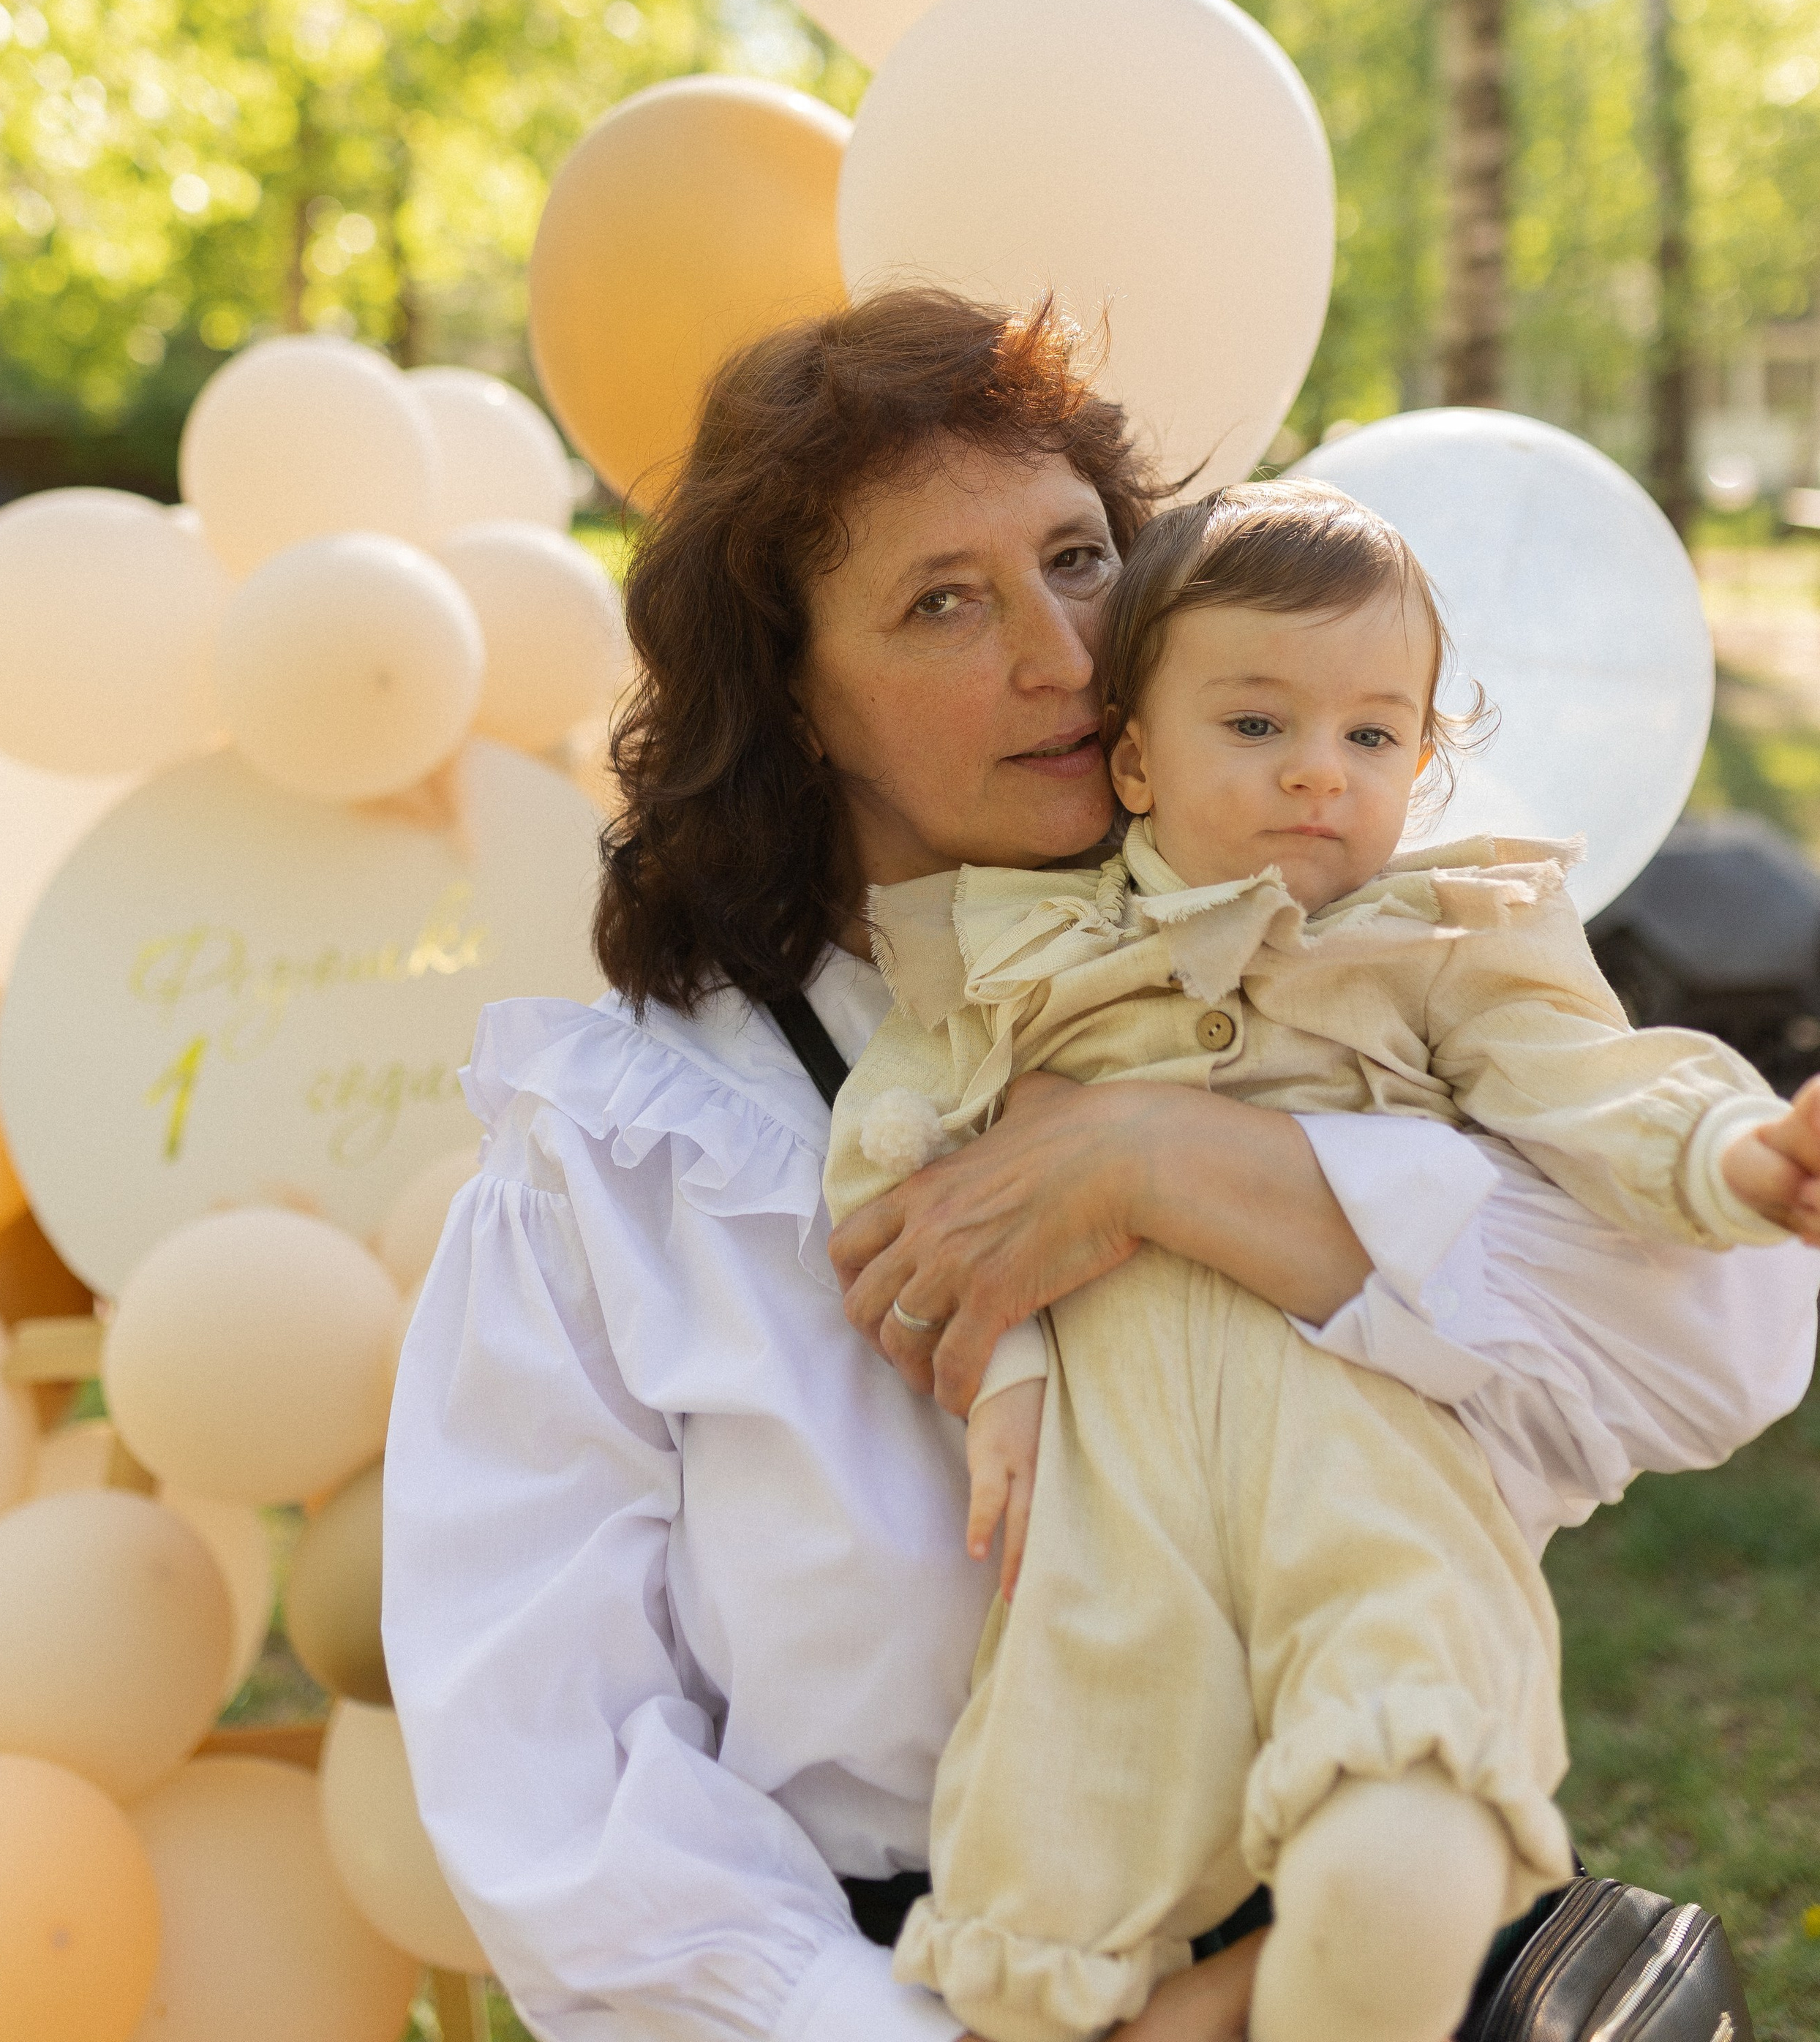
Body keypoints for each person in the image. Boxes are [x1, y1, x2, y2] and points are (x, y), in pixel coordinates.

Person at [380, 291, 1820, 2042]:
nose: (1062, 654)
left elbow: (1725, 1346)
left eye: (1076, 557)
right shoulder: (616, 1164)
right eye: (940, 603)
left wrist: (1176, 1158)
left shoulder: (1340, 956)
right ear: (796, 701)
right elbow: (564, 1817)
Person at [823, 481, 1817, 2042]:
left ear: (1419, 758)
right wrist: (1003, 1371)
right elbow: (899, 1169)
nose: (1314, 775)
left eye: (1369, 737)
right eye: (1255, 727)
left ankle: (1379, 1925)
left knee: (1403, 1759)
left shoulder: (1433, 937)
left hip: (1361, 1443)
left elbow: (1579, 1076)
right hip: (1114, 1485)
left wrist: (1727, 1156)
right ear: (1135, 754)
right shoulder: (1020, 960)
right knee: (1075, 1819)